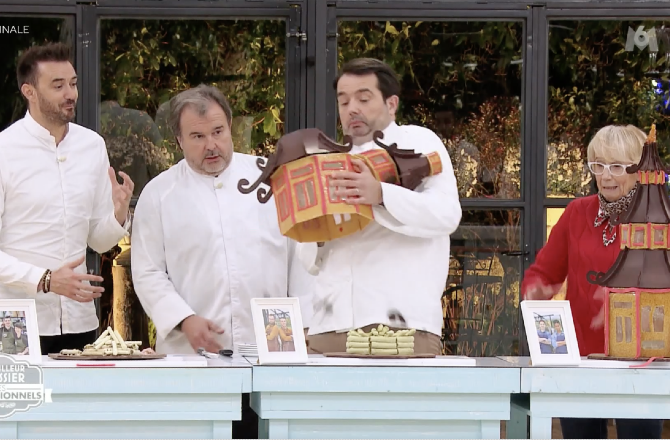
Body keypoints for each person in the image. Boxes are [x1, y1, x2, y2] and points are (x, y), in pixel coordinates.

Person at [130, 84, 312, 440]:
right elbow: (148, 271)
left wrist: (304, 325)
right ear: (178, 141)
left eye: (218, 132)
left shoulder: (270, 178)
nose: (211, 145)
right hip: (193, 358)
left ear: (231, 127)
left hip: (272, 357)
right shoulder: (159, 194)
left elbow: (303, 255)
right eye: (197, 136)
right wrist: (183, 319)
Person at [297, 58, 462, 355]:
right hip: (329, 325)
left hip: (399, 325)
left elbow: (446, 215)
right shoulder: (327, 160)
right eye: (343, 101)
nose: (352, 109)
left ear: (391, 103)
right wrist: (318, 229)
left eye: (363, 98)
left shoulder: (420, 142)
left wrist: (381, 194)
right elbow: (308, 260)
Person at [521, 124, 663, 439]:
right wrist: (536, 297)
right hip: (581, 358)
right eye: (597, 165)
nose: (605, 176)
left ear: (638, 171)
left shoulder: (659, 218)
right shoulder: (576, 213)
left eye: (616, 166)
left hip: (640, 360)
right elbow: (544, 273)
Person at [0, 42, 133, 355]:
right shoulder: (5, 150)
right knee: (23, 403)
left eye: (72, 83)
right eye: (57, 85)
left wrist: (118, 214)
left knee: (79, 404)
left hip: (79, 319)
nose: (70, 94)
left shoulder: (92, 146)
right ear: (29, 91)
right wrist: (46, 279)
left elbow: (99, 241)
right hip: (15, 320)